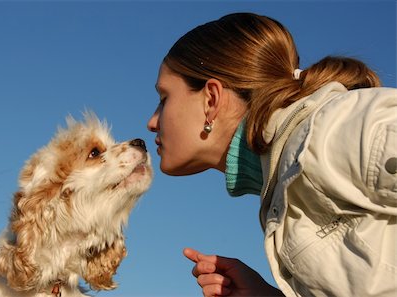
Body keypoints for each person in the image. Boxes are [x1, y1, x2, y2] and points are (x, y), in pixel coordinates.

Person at [147, 12, 397, 297]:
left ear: (212, 100)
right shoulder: (282, 184)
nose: (152, 121)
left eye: (164, 98)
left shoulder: (332, 131)